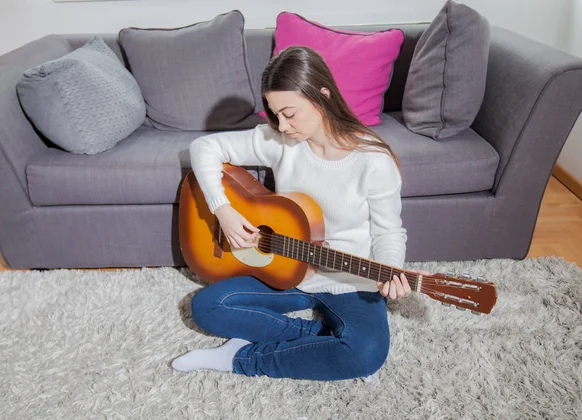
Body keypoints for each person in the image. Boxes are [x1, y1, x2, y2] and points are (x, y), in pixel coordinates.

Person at [172, 46, 427, 381]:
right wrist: (224, 210)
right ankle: (323, 342)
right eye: (275, 114)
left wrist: (389, 270)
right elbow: (203, 148)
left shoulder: (373, 161)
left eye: (289, 113)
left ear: (322, 95)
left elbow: (389, 231)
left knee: (365, 354)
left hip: (350, 280)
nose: (282, 125)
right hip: (288, 272)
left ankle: (239, 357)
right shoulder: (282, 142)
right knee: (206, 307)